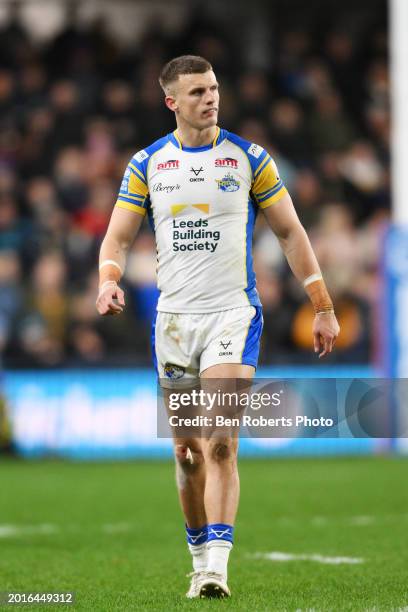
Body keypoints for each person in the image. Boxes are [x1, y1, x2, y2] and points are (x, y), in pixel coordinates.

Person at [96, 55, 340, 599]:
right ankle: (197, 551)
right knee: (187, 451)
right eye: (198, 91)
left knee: (222, 441)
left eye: (214, 88)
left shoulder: (249, 158)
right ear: (171, 102)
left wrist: (321, 302)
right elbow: (115, 239)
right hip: (174, 323)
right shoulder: (148, 164)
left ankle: (216, 570)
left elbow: (291, 233)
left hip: (234, 314)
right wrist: (107, 279)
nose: (211, 98)